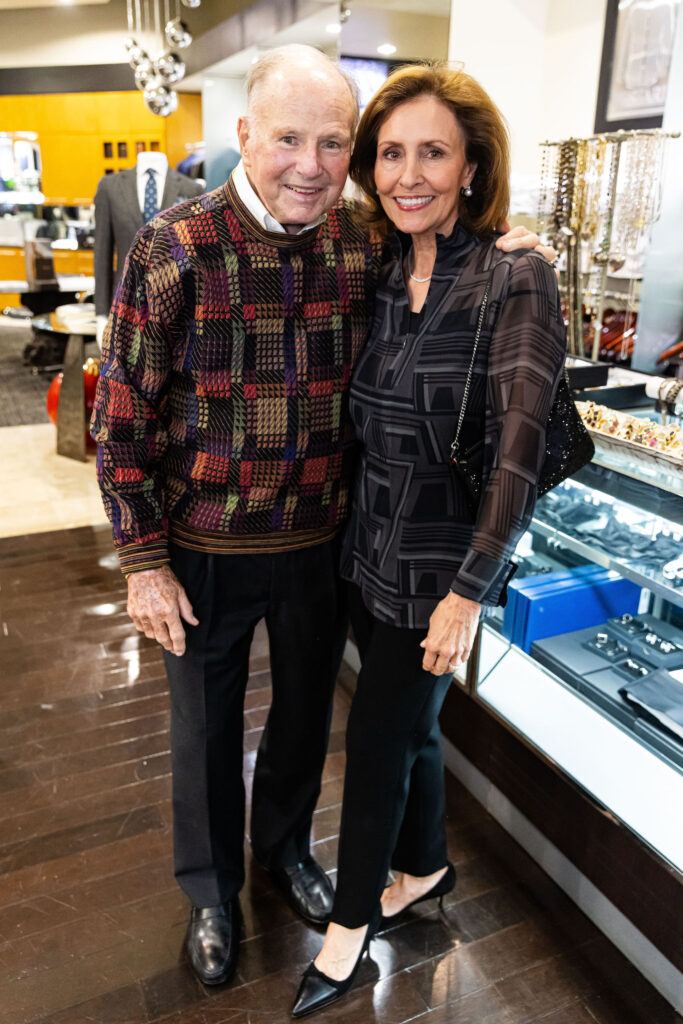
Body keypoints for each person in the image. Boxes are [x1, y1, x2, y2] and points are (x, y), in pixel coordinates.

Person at [91, 45, 551, 990]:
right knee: (206, 730)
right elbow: (120, 416)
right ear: (244, 134)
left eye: (333, 143)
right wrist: (142, 560)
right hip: (202, 547)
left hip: (323, 545)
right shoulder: (173, 247)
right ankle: (212, 892)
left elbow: (447, 247)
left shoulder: (360, 240)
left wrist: (514, 240)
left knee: (303, 719)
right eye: (288, 138)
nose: (309, 163)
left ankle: (286, 852)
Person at [293, 62, 567, 1017]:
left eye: (433, 153)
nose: (408, 174)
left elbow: (519, 454)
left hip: (437, 572)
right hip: (362, 552)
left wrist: (467, 592)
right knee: (409, 728)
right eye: (392, 152)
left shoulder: (514, 276)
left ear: (471, 164)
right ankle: (424, 868)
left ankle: (348, 928)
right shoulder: (379, 262)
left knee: (373, 741)